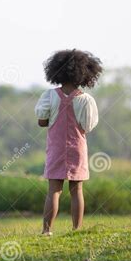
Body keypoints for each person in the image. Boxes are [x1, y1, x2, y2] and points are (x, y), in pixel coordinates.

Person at [34, 49, 103, 236]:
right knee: (77, 190)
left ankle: (46, 231)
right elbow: (87, 127)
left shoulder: (49, 96)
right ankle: (76, 229)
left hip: (55, 149)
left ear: (56, 71)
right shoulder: (86, 100)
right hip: (77, 148)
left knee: (53, 191)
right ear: (84, 74)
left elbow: (41, 122)